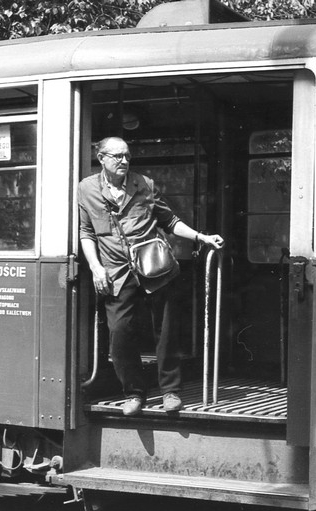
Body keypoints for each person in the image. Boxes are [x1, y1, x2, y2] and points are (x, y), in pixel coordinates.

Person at [78, 137, 223, 416]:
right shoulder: (86, 189)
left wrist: (201, 237)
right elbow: (86, 232)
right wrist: (96, 267)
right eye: (117, 156)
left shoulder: (145, 184)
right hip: (116, 271)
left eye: (127, 156)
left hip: (154, 267)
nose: (124, 161)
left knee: (166, 331)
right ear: (102, 158)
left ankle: (170, 391)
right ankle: (133, 393)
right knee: (120, 334)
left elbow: (170, 221)